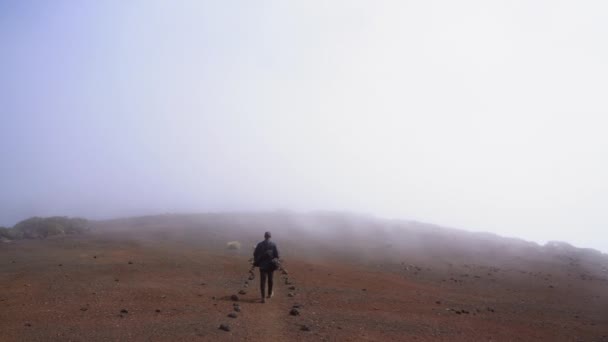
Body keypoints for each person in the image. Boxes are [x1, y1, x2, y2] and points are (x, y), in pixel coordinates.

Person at [253, 231, 279, 303]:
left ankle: (263, 298)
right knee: (270, 280)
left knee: (262, 281)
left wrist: (257, 261)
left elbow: (255, 254)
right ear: (270, 236)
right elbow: (277, 256)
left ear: (264, 236)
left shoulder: (260, 244)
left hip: (262, 265)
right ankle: (270, 294)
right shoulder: (273, 244)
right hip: (271, 265)